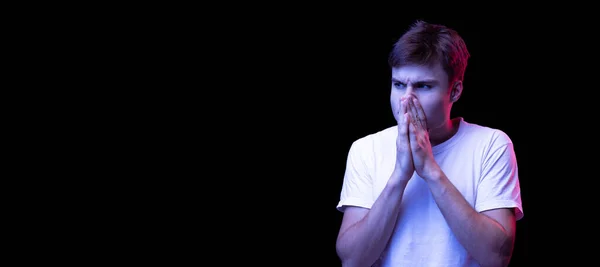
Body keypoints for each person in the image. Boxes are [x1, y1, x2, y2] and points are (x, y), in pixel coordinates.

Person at [335, 20, 523, 267]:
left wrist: (431, 171)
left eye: (423, 86)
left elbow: (496, 258)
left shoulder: (491, 145)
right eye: (399, 85)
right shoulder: (365, 149)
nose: (406, 100)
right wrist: (400, 176)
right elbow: (352, 260)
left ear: (455, 91)